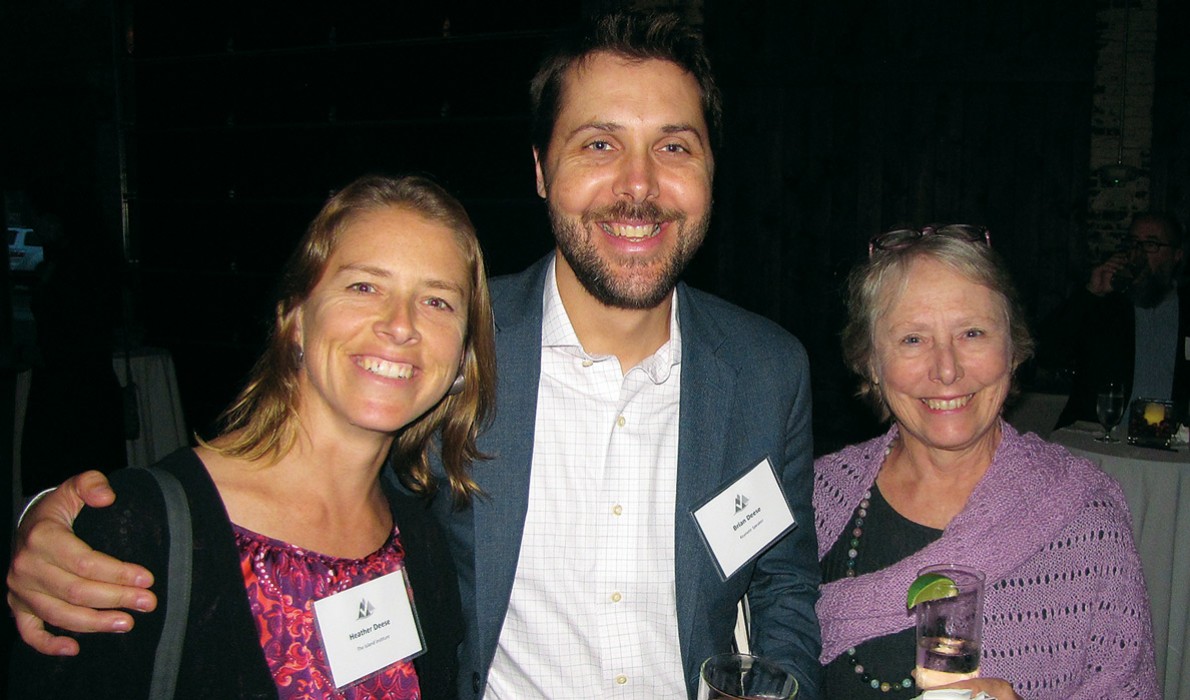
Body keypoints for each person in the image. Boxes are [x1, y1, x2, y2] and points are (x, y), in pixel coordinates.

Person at [5, 11, 822, 700]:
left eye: (675, 147)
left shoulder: (767, 371)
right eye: (599, 145)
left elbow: (783, 574)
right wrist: (69, 518)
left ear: (713, 169)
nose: (638, 186)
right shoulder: (449, 339)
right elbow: (294, 468)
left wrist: (780, 684)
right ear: (542, 171)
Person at [7, 174, 496, 699]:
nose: (401, 325)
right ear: (295, 319)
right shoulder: (137, 535)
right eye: (364, 286)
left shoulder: (422, 542)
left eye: (438, 302)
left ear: (463, 355)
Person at [814, 225, 1158, 699]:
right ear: (872, 362)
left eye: (972, 333)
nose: (947, 369)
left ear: (1013, 348)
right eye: (913, 339)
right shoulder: (817, 498)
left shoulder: (1086, 514)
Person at [1041, 212, 1189, 428]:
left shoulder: (1185, 311)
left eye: (1151, 244)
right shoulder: (1104, 304)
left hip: (1170, 444)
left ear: (1177, 255)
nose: (1138, 252)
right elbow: (1047, 352)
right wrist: (1091, 293)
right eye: (1133, 242)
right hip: (1101, 441)